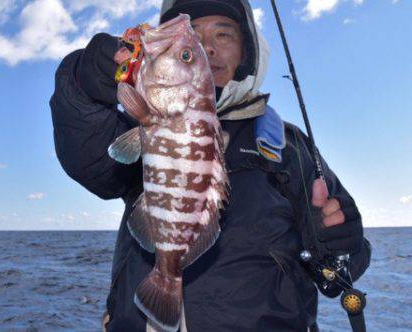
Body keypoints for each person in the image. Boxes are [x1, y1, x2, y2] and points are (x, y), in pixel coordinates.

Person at [50, 0, 371, 331]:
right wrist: (82, 86)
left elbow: (343, 268)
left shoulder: (288, 146)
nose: (206, 47)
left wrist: (340, 245)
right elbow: (89, 157)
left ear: (247, 51)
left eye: (223, 34)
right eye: (195, 38)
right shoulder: (137, 123)